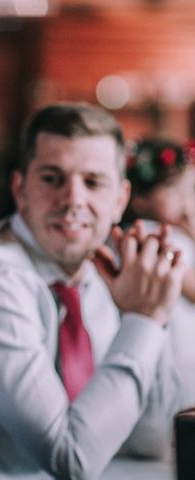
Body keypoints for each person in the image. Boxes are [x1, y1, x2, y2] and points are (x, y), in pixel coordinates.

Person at [0, 103, 186, 479]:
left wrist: (160, 312)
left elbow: (151, 435)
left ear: (120, 200)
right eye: (52, 178)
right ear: (20, 190)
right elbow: (72, 460)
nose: (73, 199)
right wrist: (144, 321)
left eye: (93, 182)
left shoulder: (98, 277)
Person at [123, 137, 195, 414]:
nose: (185, 201)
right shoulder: (154, 235)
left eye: (188, 191)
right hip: (169, 365)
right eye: (172, 190)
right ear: (139, 199)